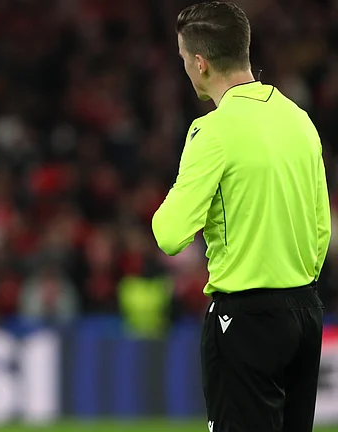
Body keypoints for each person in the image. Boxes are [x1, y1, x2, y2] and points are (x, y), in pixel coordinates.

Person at [151, 2, 329, 431]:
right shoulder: (299, 119)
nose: (186, 70)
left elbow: (170, 234)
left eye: (183, 60)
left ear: (200, 62)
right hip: (306, 312)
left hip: (246, 318)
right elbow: (320, 228)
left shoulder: (212, 131)